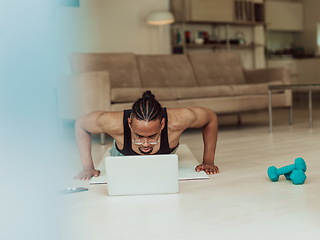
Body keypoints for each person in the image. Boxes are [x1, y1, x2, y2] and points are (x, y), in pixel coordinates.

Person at [74, 90, 219, 180]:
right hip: (124, 156)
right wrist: (88, 167)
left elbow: (210, 117)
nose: (145, 144)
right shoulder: (113, 123)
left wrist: (208, 161)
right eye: (139, 136)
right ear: (129, 124)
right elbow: (81, 124)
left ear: (162, 125)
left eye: (151, 136)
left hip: (164, 158)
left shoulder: (179, 119)